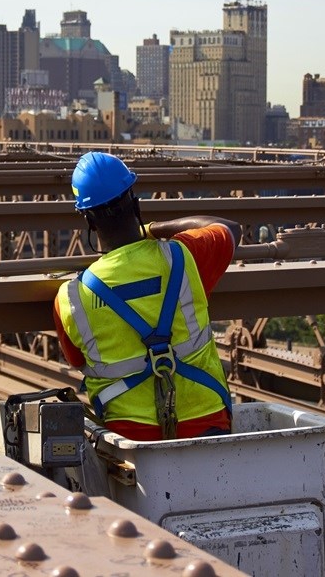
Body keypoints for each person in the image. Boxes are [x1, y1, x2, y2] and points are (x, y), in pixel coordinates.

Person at [53, 152, 241, 441]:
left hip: (129, 441)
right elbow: (229, 228)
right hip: (206, 423)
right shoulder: (182, 256)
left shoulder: (71, 298)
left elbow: (77, 361)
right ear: (136, 203)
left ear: (89, 220)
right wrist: (151, 229)